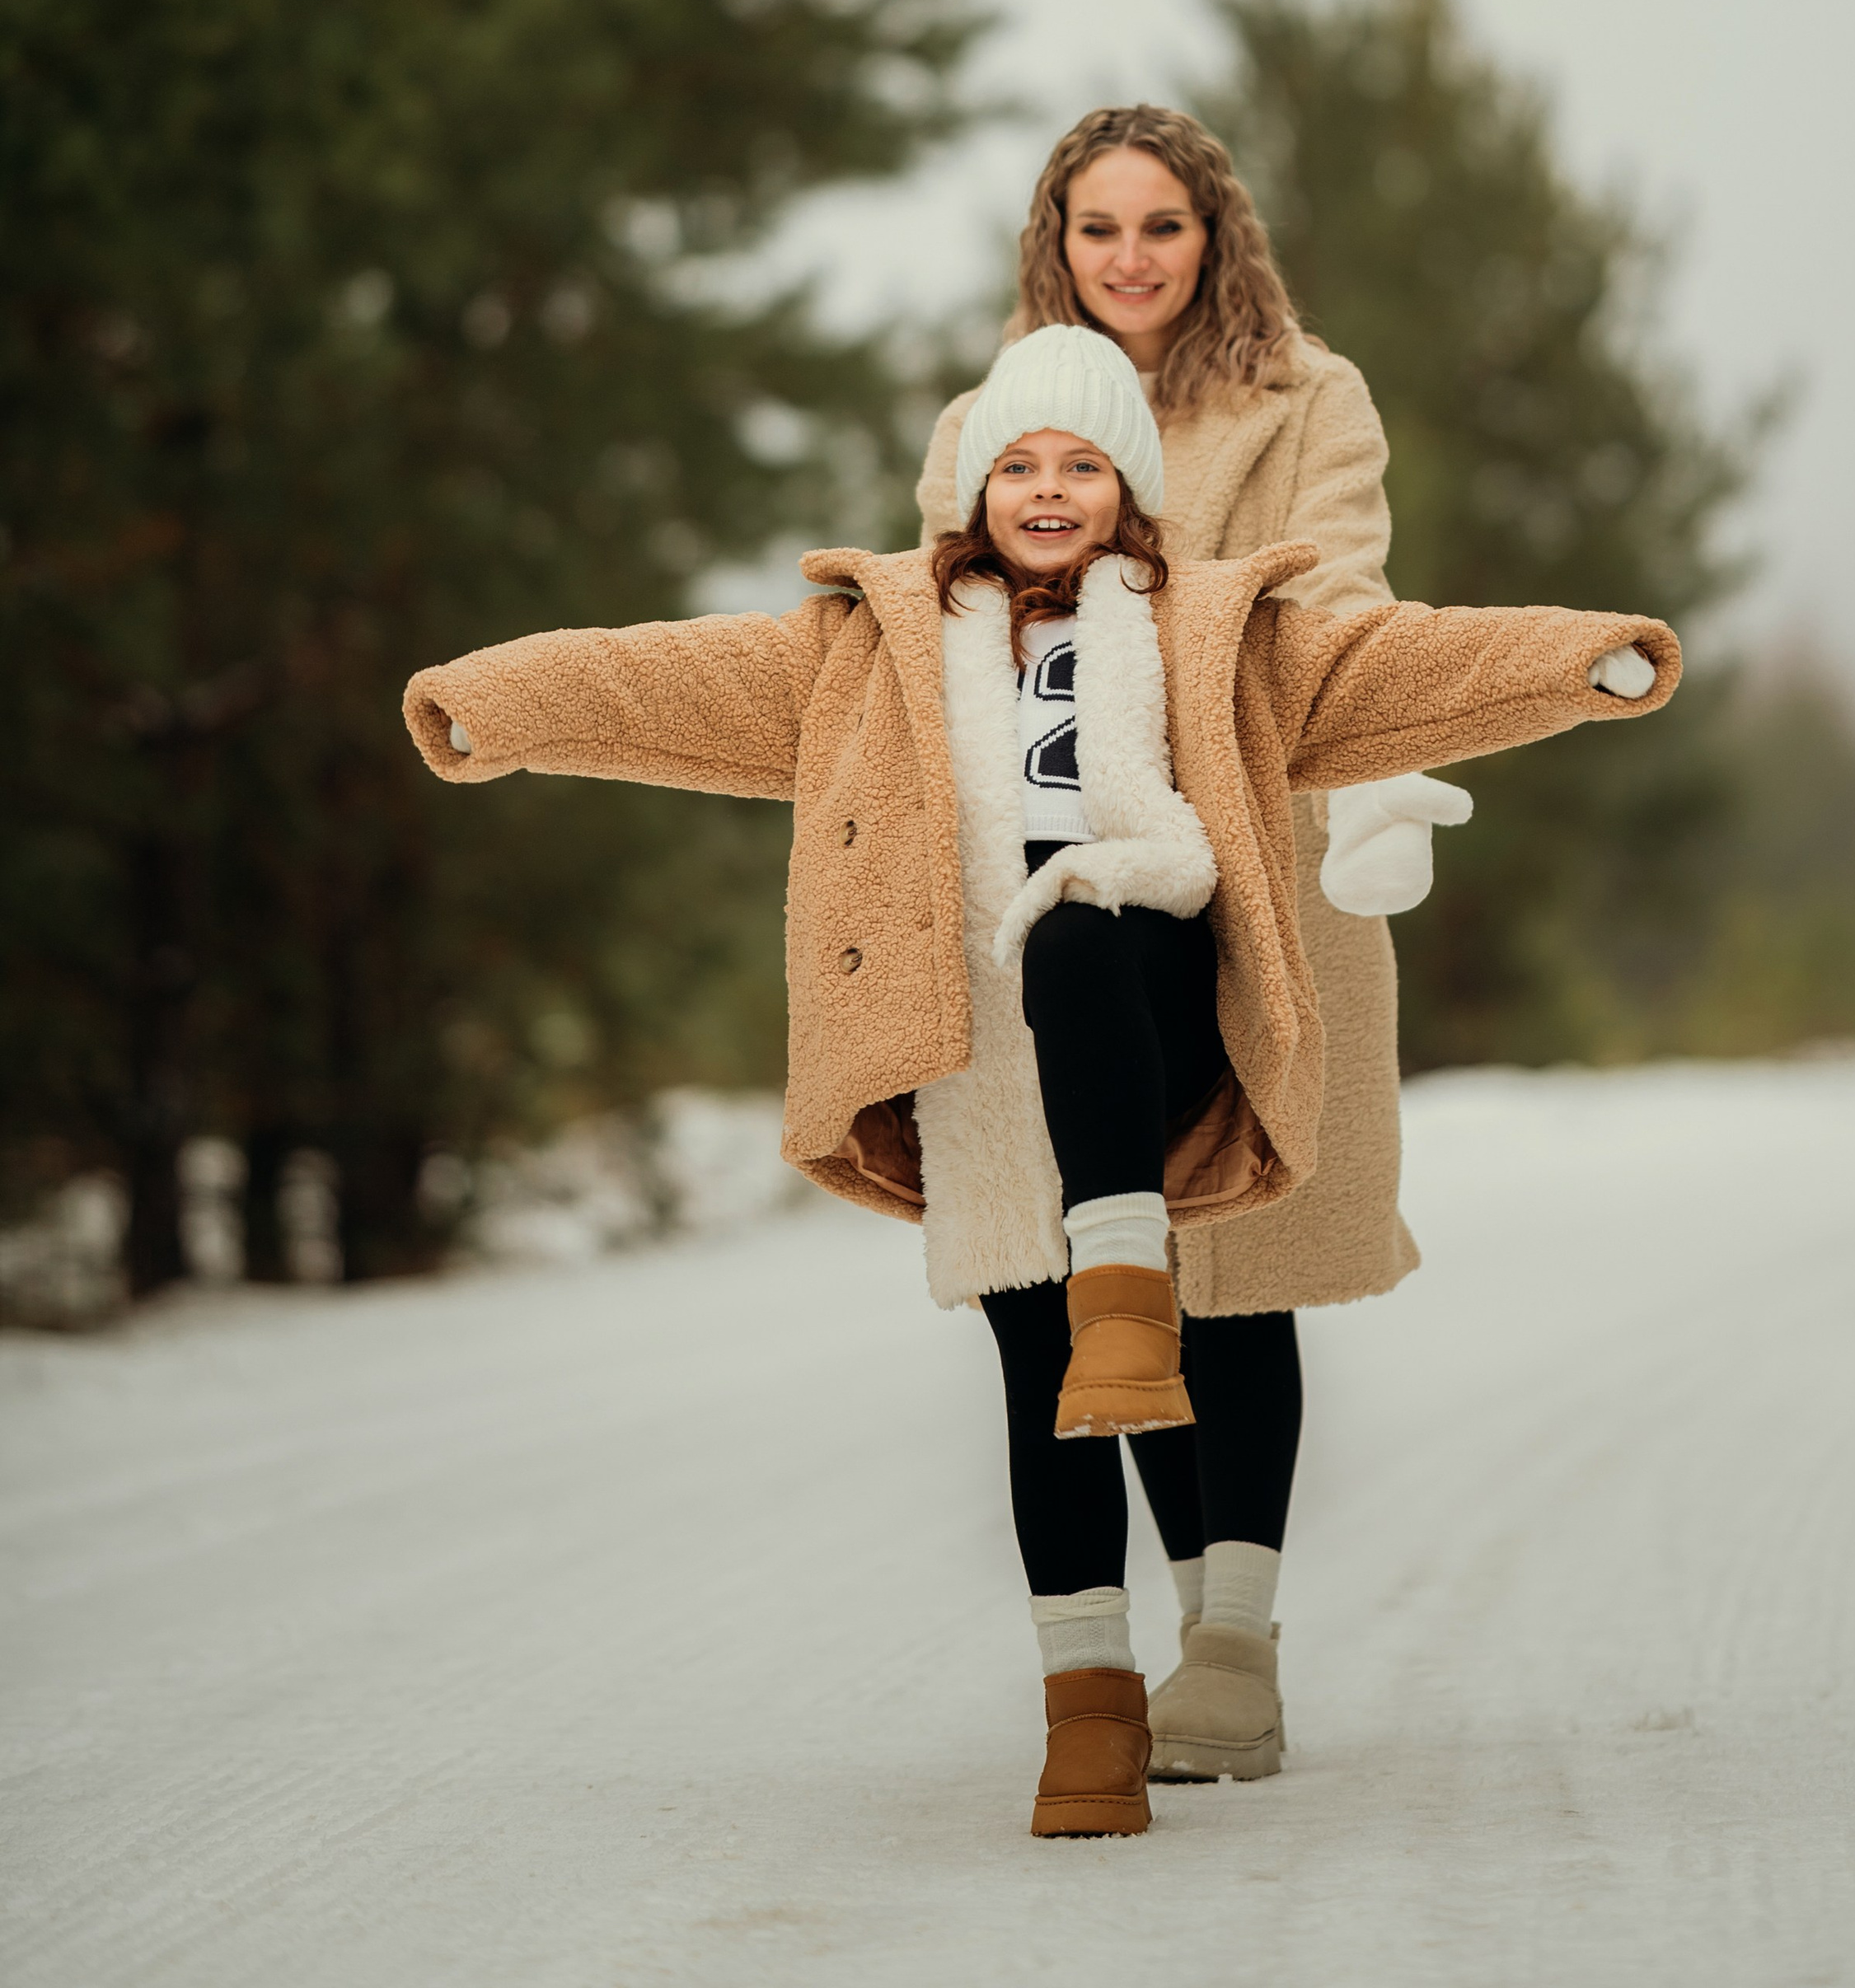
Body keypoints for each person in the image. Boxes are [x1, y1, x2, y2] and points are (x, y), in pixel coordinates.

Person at [405, 323, 1679, 1836]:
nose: (1050, 486)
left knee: (1079, 927)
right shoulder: (871, 649)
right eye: (1020, 462)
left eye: (1082, 463)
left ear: (1131, 495)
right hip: (986, 1059)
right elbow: (669, 680)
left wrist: (1583, 661)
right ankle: (1089, 1714)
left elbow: (1389, 665)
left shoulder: (1210, 628)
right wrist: (503, 706)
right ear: (973, 491)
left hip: (1153, 993)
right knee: (1031, 1368)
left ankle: (1132, 1290)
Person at [917, 105, 1486, 1780]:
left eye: (1160, 225)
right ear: (1054, 242)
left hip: (1246, 861)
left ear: (1212, 232)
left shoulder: (1307, 397)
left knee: (1237, 1262)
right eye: (1097, 229)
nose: (1130, 259)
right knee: (1112, 1262)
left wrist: (1384, 767)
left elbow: (1339, 603)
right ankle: (1145, 1652)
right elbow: (946, 628)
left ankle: (1230, 1650)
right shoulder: (990, 419)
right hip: (1045, 888)